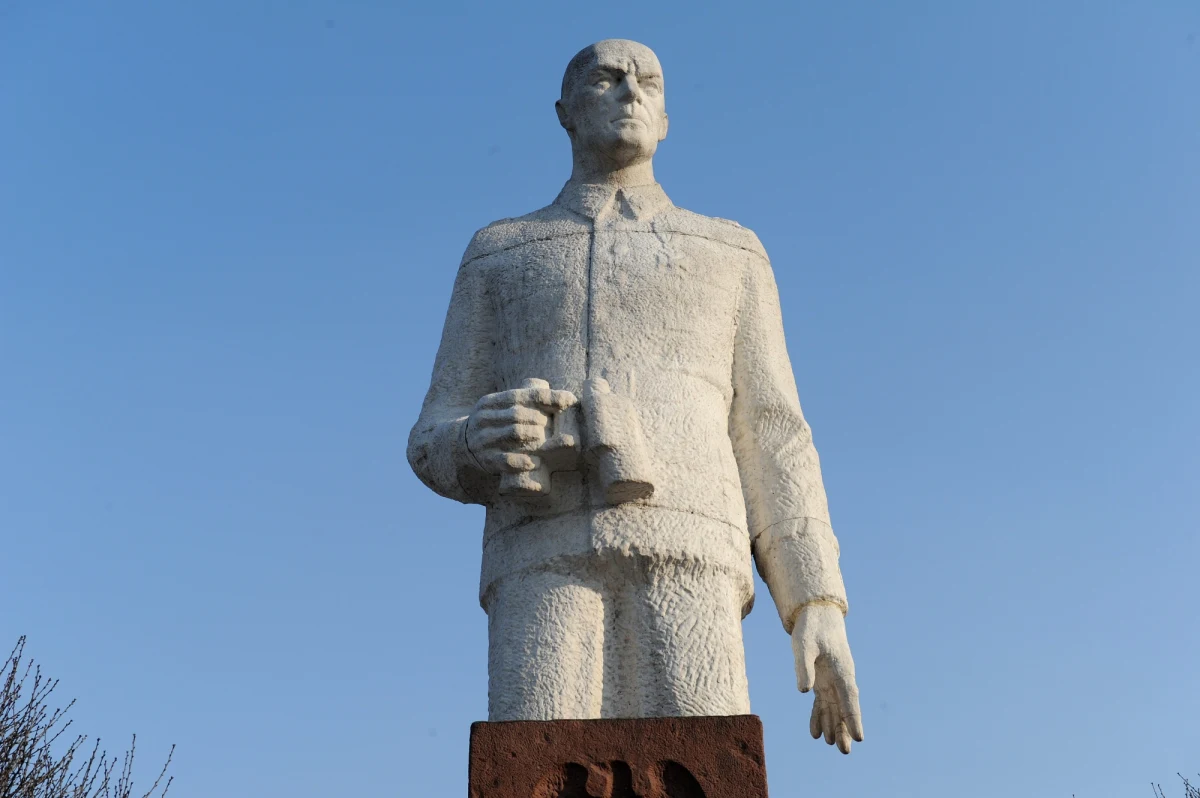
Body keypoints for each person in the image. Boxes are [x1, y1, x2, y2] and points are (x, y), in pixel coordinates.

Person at [408, 39, 864, 754]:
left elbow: (774, 432)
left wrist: (815, 599)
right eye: (607, 78)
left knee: (703, 759)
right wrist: (472, 440)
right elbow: (432, 431)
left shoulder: (729, 251)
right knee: (538, 761)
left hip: (694, 544)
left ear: (667, 119)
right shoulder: (500, 251)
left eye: (648, 82)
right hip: (540, 547)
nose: (630, 93)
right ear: (564, 111)